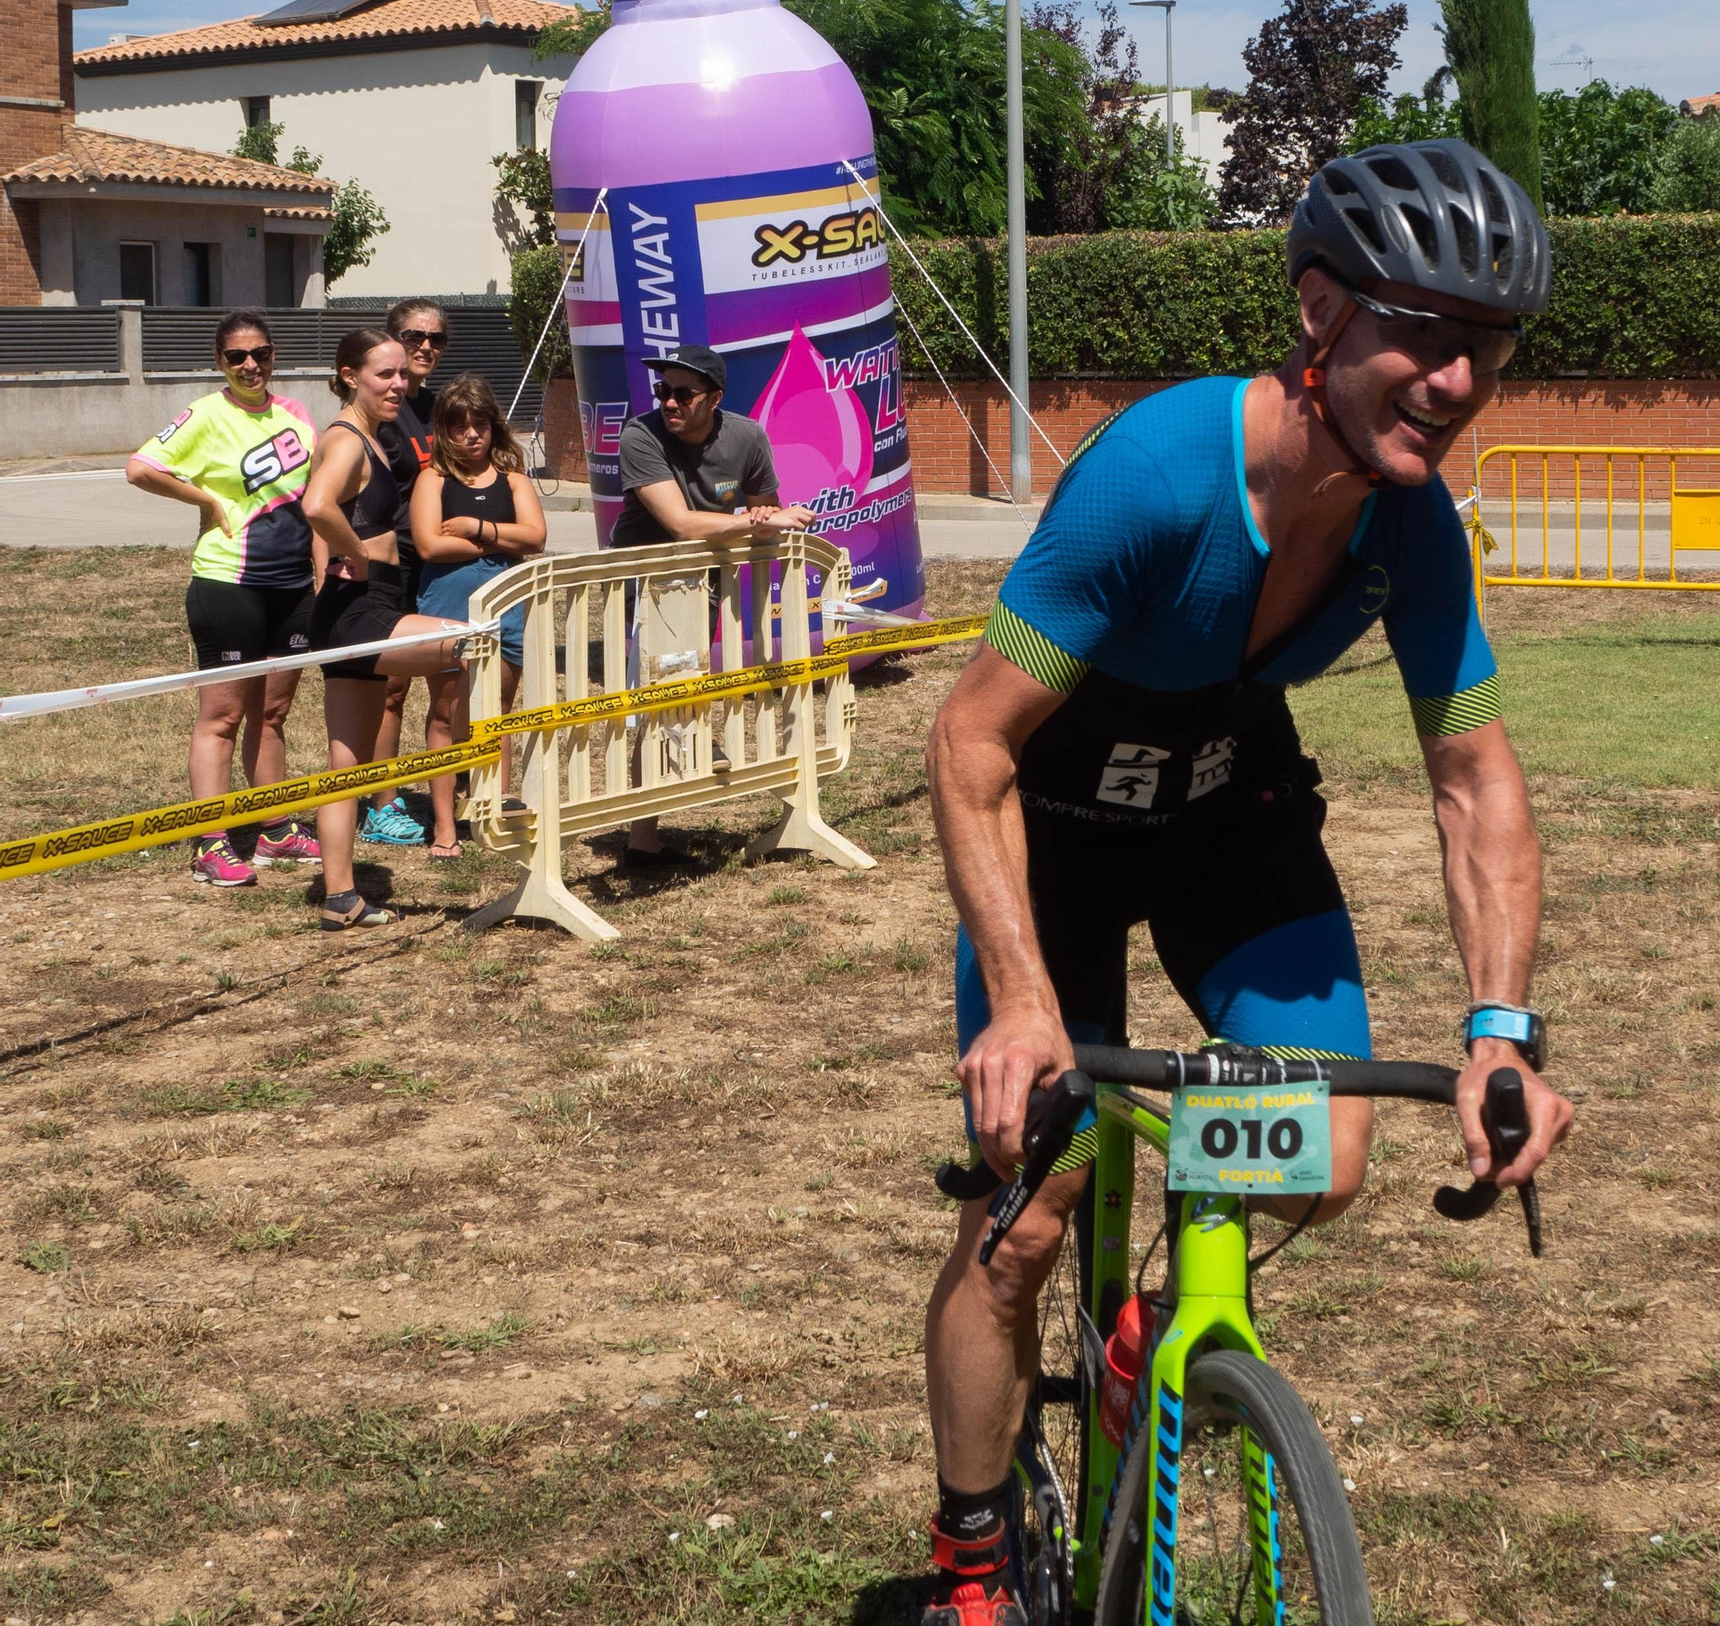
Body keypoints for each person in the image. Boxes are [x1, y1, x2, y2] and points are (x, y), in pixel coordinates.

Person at [916, 141, 1576, 1626]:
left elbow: (1474, 779)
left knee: (1329, 1157)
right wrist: (1023, 1003)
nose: (1459, 383)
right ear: (1324, 313)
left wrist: (1500, 1031)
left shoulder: (1410, 527)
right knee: (1025, 1221)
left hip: (1231, 821)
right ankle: (973, 1546)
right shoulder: (1160, 475)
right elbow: (968, 742)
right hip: (1059, 831)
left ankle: (1161, 1337)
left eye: (1487, 350)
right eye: (1424, 334)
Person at [124, 308, 323, 887]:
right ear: (220, 362)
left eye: (259, 353)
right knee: (223, 716)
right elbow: (140, 468)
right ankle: (209, 843)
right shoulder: (206, 415)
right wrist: (207, 504)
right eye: (236, 356)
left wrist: (320, 572)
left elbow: (309, 500)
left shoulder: (296, 414)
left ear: (273, 355)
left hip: (292, 587)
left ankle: (276, 831)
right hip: (228, 584)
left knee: (274, 713)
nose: (250, 364)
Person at [610, 344, 815, 867]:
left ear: (715, 398)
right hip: (647, 586)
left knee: (691, 688)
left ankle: (701, 756)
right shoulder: (639, 434)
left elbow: (764, 505)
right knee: (654, 700)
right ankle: (642, 838)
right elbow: (681, 524)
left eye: (683, 393)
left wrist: (772, 517)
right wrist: (759, 521)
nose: (669, 402)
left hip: (707, 582)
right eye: (663, 391)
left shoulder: (746, 436)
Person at [302, 328, 475, 931]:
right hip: (360, 609)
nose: (400, 384)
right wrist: (353, 553)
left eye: (403, 374)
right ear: (350, 375)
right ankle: (492, 781)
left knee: (346, 765)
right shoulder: (346, 439)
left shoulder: (368, 437)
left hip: (360, 604)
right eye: (385, 374)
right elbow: (317, 506)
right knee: (471, 641)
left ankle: (340, 897)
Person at [410, 373, 546, 858]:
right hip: (447, 609)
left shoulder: (514, 480)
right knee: (447, 712)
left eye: (480, 425)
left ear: (494, 427)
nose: (471, 435)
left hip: (509, 609)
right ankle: (444, 824)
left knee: (496, 713)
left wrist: (475, 527)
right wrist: (500, 538)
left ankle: (492, 806)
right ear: (443, 431)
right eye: (459, 427)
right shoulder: (433, 479)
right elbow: (429, 544)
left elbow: (536, 538)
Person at [360, 297, 450, 849]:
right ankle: (382, 804)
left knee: (448, 679)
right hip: (390, 564)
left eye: (436, 339)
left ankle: (450, 785)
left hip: (437, 564)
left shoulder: (439, 408)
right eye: (414, 336)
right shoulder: (379, 412)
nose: (424, 348)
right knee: (390, 689)